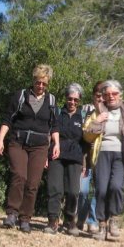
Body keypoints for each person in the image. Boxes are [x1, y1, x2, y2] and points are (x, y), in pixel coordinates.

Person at [0, 65, 60, 233]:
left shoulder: (51, 101)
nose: (41, 86)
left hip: (40, 146)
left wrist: (56, 144)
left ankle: (25, 218)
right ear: (33, 81)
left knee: (33, 183)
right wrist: (0, 139)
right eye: (38, 83)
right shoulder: (21, 96)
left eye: (44, 84)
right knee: (19, 176)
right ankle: (12, 213)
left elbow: (54, 126)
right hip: (18, 142)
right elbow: (7, 119)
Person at [82, 80, 124, 241]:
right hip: (102, 154)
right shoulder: (98, 111)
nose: (111, 97)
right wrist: (97, 121)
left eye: (114, 94)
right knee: (101, 190)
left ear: (120, 95)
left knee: (116, 187)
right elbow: (87, 135)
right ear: (103, 96)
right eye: (107, 94)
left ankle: (114, 219)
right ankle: (102, 225)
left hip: (121, 155)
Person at [45, 82, 86, 235]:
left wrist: (85, 164)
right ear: (66, 98)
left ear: (79, 101)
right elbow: (49, 134)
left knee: (73, 191)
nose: (72, 102)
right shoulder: (56, 112)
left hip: (75, 156)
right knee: (54, 189)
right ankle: (53, 220)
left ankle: (69, 221)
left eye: (76, 100)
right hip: (57, 154)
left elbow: (86, 142)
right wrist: (45, 156)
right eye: (70, 99)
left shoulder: (83, 116)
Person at [76, 81, 104, 234]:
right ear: (93, 96)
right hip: (85, 158)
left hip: (101, 159)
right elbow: (80, 135)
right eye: (98, 96)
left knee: (99, 191)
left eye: (103, 96)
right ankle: (81, 218)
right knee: (83, 191)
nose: (100, 99)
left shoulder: (110, 113)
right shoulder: (85, 111)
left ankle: (92, 221)